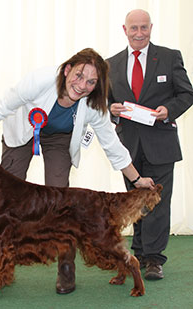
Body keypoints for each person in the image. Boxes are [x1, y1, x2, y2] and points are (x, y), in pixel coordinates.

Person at [0, 47, 155, 294]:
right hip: (23, 132)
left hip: (60, 138)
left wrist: (137, 178)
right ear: (67, 70)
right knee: (1, 202)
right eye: (78, 75)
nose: (82, 85)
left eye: (91, 81)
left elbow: (112, 145)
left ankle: (66, 268)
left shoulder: (94, 106)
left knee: (61, 201)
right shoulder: (40, 81)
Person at [107, 9, 193, 280]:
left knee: (158, 201)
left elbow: (187, 94)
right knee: (135, 201)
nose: (139, 33)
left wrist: (168, 109)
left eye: (144, 28)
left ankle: (154, 259)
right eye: (134, 28)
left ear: (151, 28)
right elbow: (105, 103)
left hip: (161, 143)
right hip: (128, 148)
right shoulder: (111, 64)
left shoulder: (169, 57)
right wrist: (112, 110)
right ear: (125, 30)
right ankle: (140, 252)